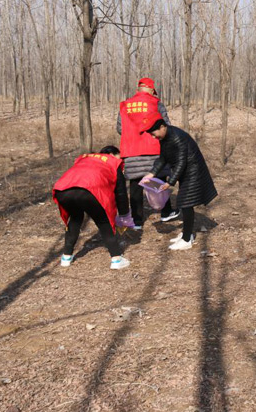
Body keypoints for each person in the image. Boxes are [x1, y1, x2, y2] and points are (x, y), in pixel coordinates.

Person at [142, 117, 218, 250]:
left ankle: (187, 240)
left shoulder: (177, 137)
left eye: (154, 134)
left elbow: (181, 162)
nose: (154, 137)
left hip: (193, 170)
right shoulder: (164, 138)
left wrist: (170, 182)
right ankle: (186, 233)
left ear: (162, 127)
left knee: (185, 203)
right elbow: (163, 158)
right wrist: (152, 173)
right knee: (184, 203)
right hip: (186, 171)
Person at [53, 146, 132, 270]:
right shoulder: (114, 163)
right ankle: (116, 259)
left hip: (62, 189)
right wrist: (124, 215)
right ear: (112, 154)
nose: (121, 160)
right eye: (119, 156)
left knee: (75, 218)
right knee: (103, 222)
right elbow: (121, 193)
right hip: (89, 190)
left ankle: (66, 257)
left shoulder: (84, 158)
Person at [117, 77, 179, 230]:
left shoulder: (125, 105)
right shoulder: (156, 103)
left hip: (132, 151)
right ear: (151, 90)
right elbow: (166, 126)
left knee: (136, 186)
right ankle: (166, 212)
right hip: (154, 150)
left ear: (138, 89)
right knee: (157, 181)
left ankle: (137, 221)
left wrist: (133, 136)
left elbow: (120, 128)